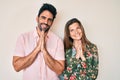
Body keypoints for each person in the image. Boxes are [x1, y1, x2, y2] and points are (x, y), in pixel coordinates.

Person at [12, 3, 65, 80]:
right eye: (43, 18)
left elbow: (59, 70)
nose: (46, 22)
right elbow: (17, 67)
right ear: (37, 18)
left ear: (52, 22)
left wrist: (44, 50)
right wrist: (37, 49)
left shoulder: (58, 41)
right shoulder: (23, 38)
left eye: (49, 20)